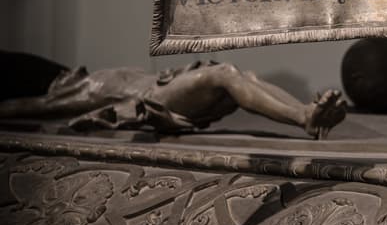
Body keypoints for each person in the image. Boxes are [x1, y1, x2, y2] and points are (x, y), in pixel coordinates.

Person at [0, 60, 347, 139]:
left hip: (170, 84)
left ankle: (305, 112)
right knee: (224, 74)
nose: (73, 71)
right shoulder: (85, 88)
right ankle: (304, 118)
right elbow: (38, 107)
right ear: (62, 83)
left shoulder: (94, 77)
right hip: (159, 97)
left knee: (246, 77)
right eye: (66, 74)